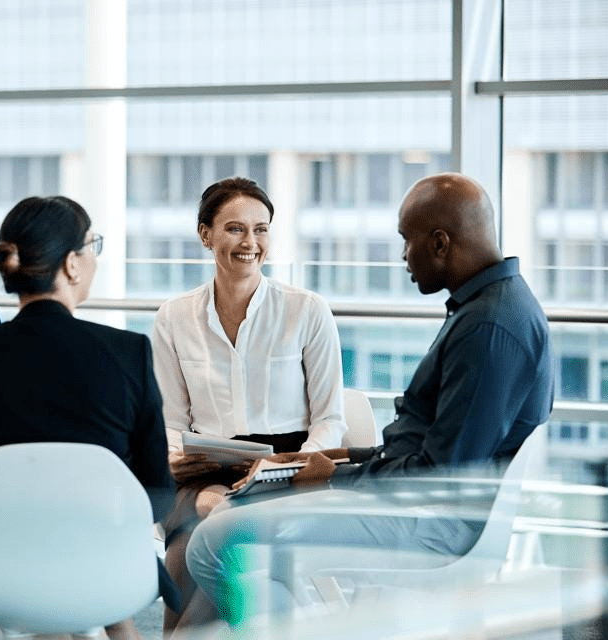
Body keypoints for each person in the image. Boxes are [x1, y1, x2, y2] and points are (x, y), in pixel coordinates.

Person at [185, 173, 555, 626]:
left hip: (435, 524)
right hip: (425, 505)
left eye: (407, 241)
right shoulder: (491, 310)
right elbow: (434, 448)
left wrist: (337, 478)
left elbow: (438, 474)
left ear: (439, 243)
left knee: (218, 541)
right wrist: (345, 459)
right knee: (234, 525)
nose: (403, 256)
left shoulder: (489, 329)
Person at [0, 195, 176, 639]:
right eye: (93, 247)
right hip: (104, 569)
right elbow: (158, 495)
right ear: (71, 264)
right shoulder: (128, 354)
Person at [151, 177, 346, 629]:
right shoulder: (174, 317)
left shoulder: (306, 309)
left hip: (283, 470)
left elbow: (330, 417)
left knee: (204, 535)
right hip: (204, 469)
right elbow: (171, 422)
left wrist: (293, 466)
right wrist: (189, 467)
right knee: (190, 538)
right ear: (206, 235)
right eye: (235, 228)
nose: (250, 242)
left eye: (261, 229)